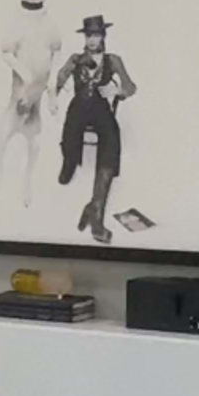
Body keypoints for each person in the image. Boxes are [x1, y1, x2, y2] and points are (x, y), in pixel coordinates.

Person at [0, 0, 71, 205]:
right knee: (3, 139)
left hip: (37, 99)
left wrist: (51, 90)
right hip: (18, 96)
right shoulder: (16, 23)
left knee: (34, 145)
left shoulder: (50, 24)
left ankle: (26, 186)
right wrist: (25, 74)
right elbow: (5, 52)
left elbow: (58, 50)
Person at [55, 14, 135, 242]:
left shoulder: (113, 60)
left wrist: (117, 91)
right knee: (70, 131)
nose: (92, 40)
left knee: (111, 138)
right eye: (89, 35)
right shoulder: (75, 58)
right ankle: (69, 161)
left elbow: (131, 86)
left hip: (101, 109)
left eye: (96, 35)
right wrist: (55, 93)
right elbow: (60, 78)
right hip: (78, 107)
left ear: (103, 36)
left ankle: (96, 211)